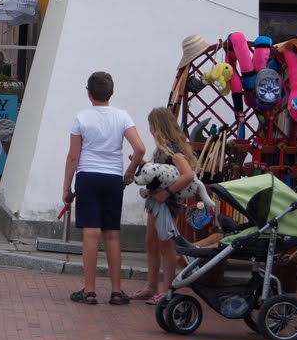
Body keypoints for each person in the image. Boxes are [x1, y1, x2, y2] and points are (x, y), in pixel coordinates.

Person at [62, 70, 146, 306]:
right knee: (112, 234)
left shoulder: (81, 118)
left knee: (91, 234)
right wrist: (130, 171)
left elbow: (73, 156)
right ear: (112, 92)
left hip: (88, 176)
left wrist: (66, 187)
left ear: (89, 93)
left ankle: (89, 291)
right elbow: (140, 149)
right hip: (113, 177)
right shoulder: (122, 116)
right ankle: (116, 291)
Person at [133, 107, 197, 305]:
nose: (149, 129)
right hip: (156, 201)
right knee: (151, 242)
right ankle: (152, 286)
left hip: (167, 202)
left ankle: (167, 289)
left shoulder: (173, 150)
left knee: (166, 244)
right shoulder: (162, 149)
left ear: (157, 126)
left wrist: (167, 192)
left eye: (151, 125)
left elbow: (188, 174)